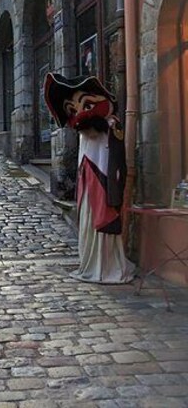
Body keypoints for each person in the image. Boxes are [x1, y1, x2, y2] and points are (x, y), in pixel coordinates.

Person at [43, 73, 134, 284]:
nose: (79, 115)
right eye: (73, 110)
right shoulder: (86, 133)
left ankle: (106, 265)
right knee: (89, 223)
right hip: (88, 184)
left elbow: (116, 158)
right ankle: (92, 263)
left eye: (86, 106)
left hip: (104, 183)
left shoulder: (111, 125)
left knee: (104, 222)